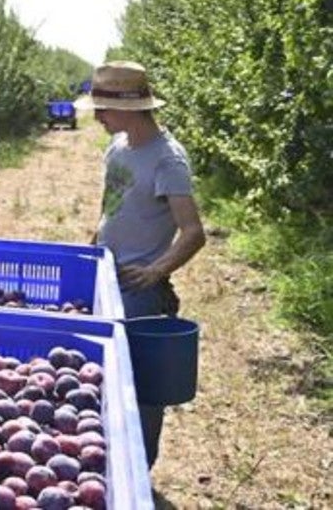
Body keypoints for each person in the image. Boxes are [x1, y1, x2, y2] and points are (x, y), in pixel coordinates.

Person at [76, 60, 207, 469]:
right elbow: (112, 204)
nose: (97, 116)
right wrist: (95, 243)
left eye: (103, 108)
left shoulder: (167, 160)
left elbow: (192, 232)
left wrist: (155, 271)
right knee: (101, 377)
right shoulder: (118, 147)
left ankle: (137, 468)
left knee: (140, 386)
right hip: (107, 276)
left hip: (138, 290)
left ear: (131, 108)